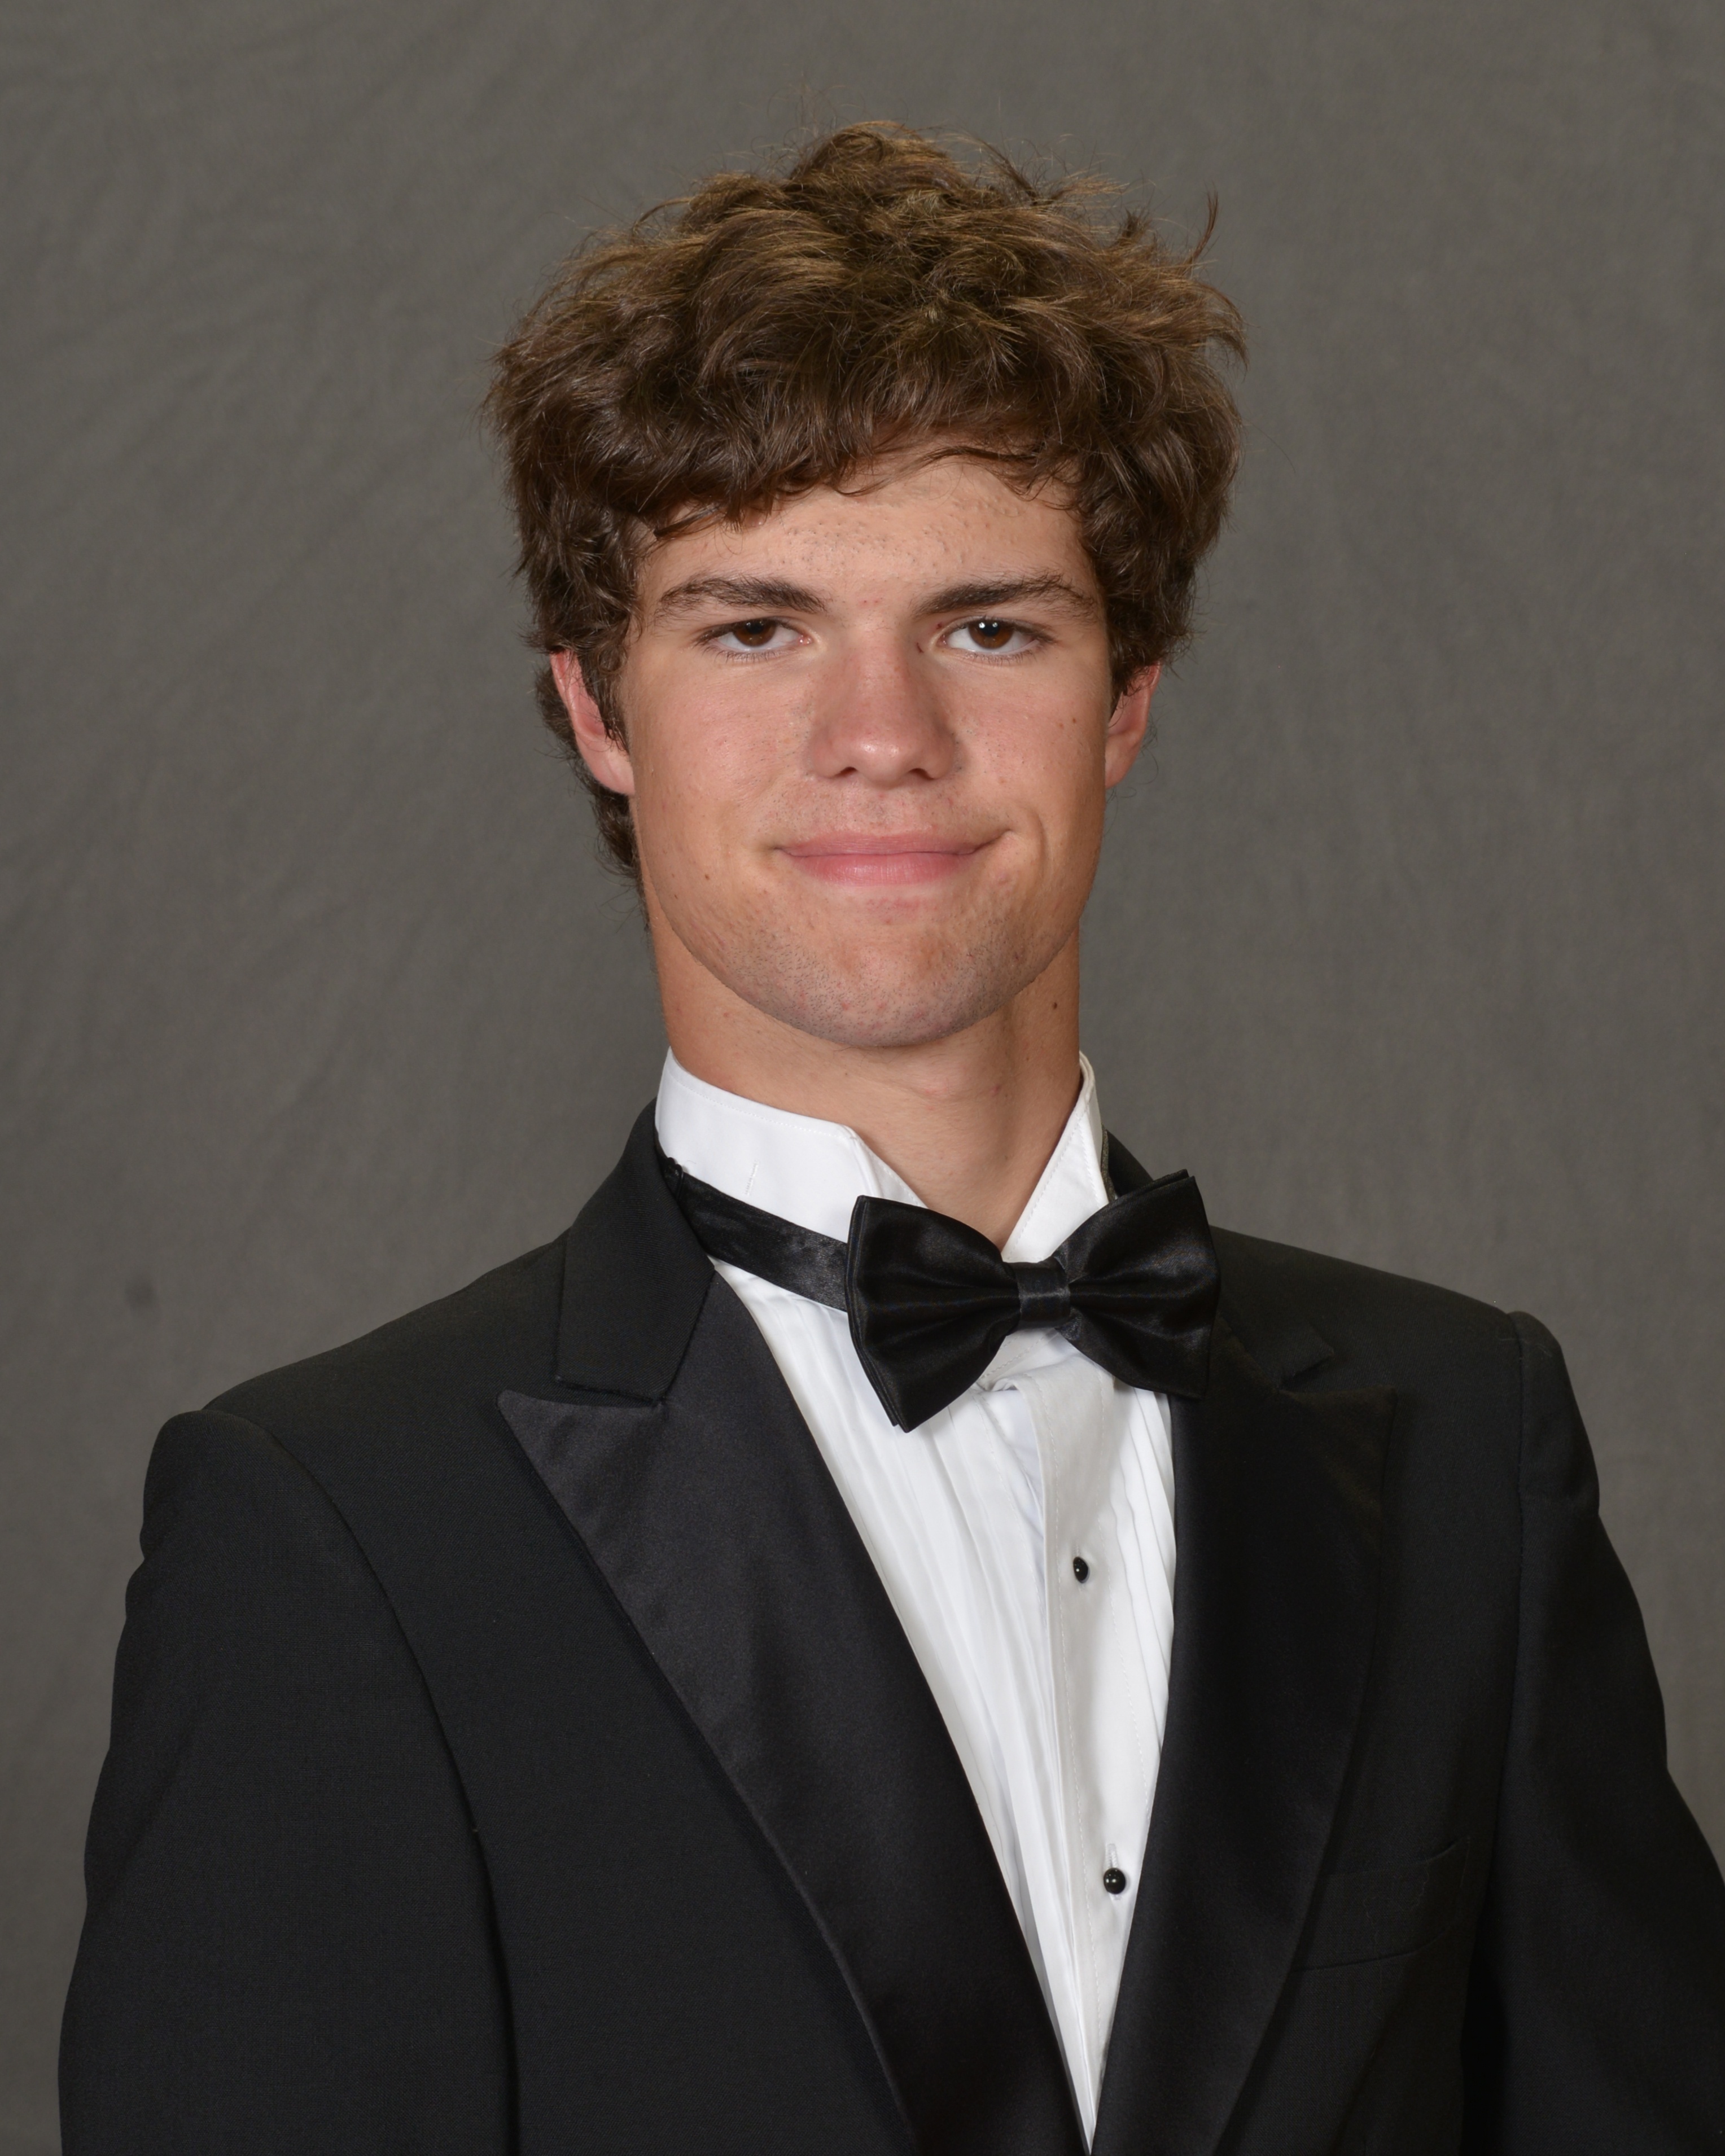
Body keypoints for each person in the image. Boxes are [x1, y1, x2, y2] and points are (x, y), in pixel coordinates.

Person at [60, 124, 1724, 2155]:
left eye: (989, 627)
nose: (883, 735)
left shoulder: (1471, 1435)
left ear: (1128, 696)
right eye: (754, 627)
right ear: (596, 708)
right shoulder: (330, 1529)